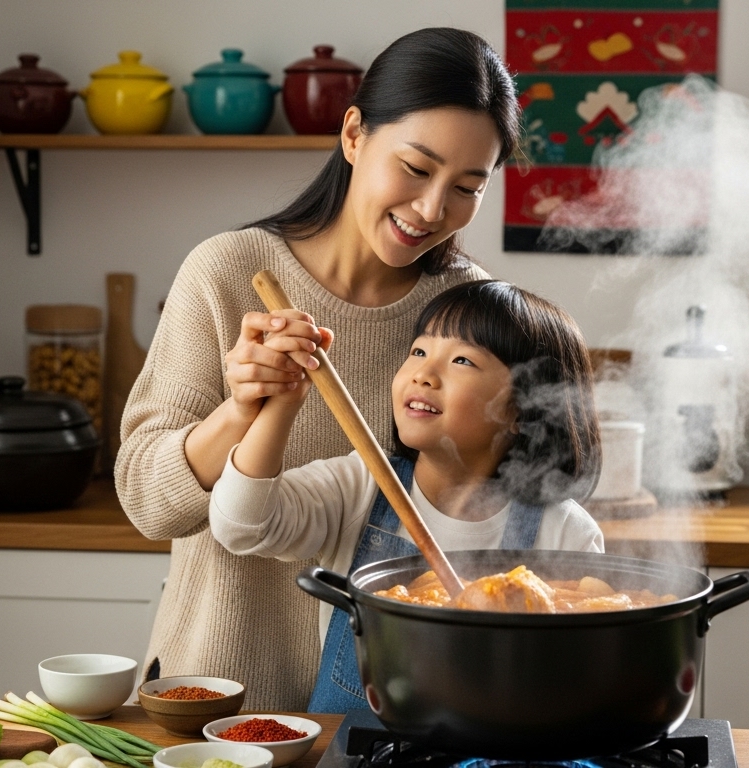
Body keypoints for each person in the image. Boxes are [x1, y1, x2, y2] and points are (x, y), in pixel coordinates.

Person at [114, 28, 521, 710]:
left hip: (402, 704)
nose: (431, 210)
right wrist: (240, 408)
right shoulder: (227, 273)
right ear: (356, 134)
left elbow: (494, 502)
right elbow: (147, 505)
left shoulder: (464, 310)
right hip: (222, 694)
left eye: (467, 187)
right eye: (417, 169)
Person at [209, 280, 604, 713]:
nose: (423, 373)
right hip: (356, 746)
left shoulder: (565, 531)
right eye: (418, 351)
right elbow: (240, 526)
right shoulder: (358, 487)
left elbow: (579, 678)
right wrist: (282, 400)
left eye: (461, 360)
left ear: (522, 411)